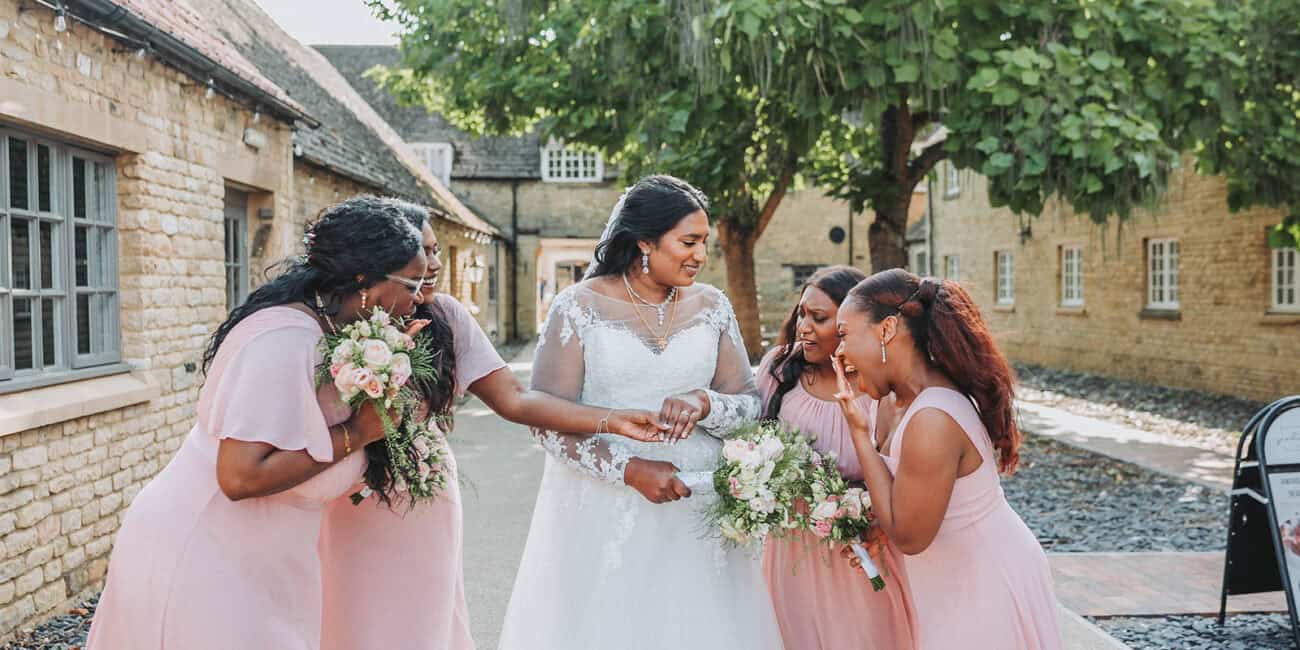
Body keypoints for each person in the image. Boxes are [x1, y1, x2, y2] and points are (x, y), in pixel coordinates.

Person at [86, 196, 431, 649]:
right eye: (413, 282)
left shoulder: (336, 335)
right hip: (206, 554)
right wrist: (359, 432)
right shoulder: (284, 339)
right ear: (365, 278)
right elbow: (239, 475)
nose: (420, 296)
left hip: (268, 564)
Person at [318, 202, 666, 650]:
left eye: (437, 249)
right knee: (345, 614)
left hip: (423, 490)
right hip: (346, 488)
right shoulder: (336, 318)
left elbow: (515, 400)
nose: (435, 263)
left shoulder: (447, 317)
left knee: (422, 616)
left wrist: (611, 420)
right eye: (422, 252)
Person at [497, 175, 783, 649]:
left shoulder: (713, 306)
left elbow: (751, 406)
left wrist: (706, 403)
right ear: (645, 241)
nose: (700, 255)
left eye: (704, 243)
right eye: (688, 242)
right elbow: (545, 423)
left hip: (699, 508)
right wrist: (628, 470)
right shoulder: (578, 308)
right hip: (606, 509)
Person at [832, 269, 1062, 649]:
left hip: (986, 582)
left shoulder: (933, 418)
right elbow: (907, 502)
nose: (838, 352)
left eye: (843, 334)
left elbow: (908, 536)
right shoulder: (889, 401)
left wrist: (858, 435)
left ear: (886, 330)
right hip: (945, 580)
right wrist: (879, 528)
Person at [758, 265, 918, 649]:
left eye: (819, 318)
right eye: (801, 314)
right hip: (791, 548)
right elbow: (751, 436)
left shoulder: (877, 388)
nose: (804, 327)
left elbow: (897, 476)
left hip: (859, 548)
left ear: (848, 324)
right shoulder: (779, 370)